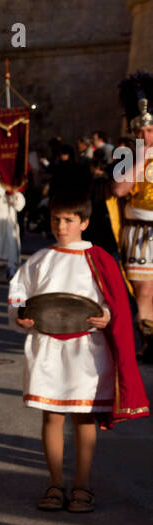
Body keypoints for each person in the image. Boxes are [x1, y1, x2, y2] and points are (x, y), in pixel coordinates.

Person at [9, 190, 148, 513]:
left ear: (84, 222)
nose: (61, 226)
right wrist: (21, 315)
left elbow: (115, 305)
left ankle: (83, 485)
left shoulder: (98, 258)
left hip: (87, 349)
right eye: (56, 219)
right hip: (46, 347)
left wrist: (107, 316)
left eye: (69, 220)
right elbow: (19, 294)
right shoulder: (40, 259)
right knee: (52, 416)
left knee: (84, 418)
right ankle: (55, 484)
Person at [114, 100, 153, 362]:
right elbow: (119, 190)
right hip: (139, 231)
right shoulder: (125, 156)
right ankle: (148, 343)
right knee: (144, 291)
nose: (145, 136)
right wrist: (140, 157)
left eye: (149, 131)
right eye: (140, 132)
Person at [0, 179, 24, 280]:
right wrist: (4, 187)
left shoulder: (15, 190)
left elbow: (19, 206)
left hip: (10, 224)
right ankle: (2, 272)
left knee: (11, 248)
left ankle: (12, 270)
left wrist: (14, 193)